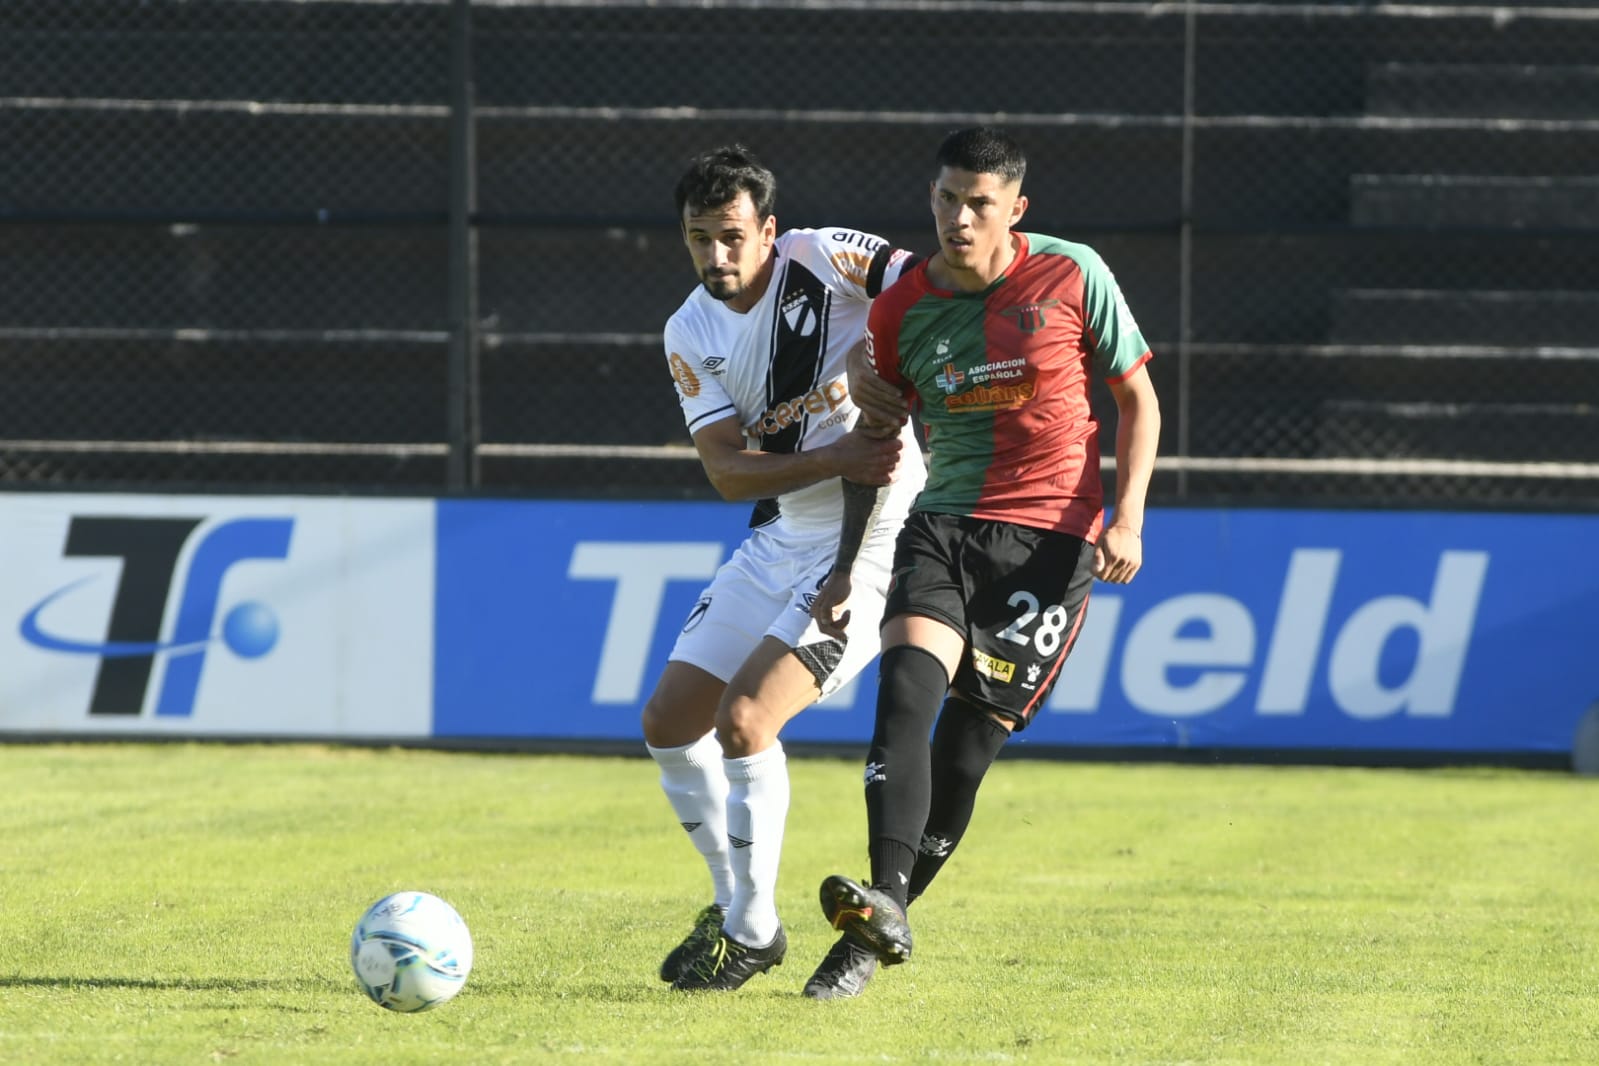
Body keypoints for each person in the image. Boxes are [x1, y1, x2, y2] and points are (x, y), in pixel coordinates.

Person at [804, 126, 1161, 999]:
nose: (959, 219)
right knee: (904, 702)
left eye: (979, 204)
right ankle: (877, 914)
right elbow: (878, 439)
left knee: (964, 757)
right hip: (944, 528)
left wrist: (1129, 518)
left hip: (1051, 546)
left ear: (1014, 209)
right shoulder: (899, 311)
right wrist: (848, 564)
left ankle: (879, 920)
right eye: (945, 199)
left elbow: (1136, 399)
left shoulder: (1074, 274)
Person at [641, 145, 927, 993]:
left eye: (731, 236)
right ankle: (738, 913)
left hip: (870, 542)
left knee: (744, 724)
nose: (715, 257)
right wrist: (839, 451)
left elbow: (926, 281)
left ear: (768, 229)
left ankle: (753, 928)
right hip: (779, 535)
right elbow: (728, 473)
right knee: (666, 723)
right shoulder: (688, 329)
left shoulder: (821, 256)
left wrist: (896, 353)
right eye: (699, 239)